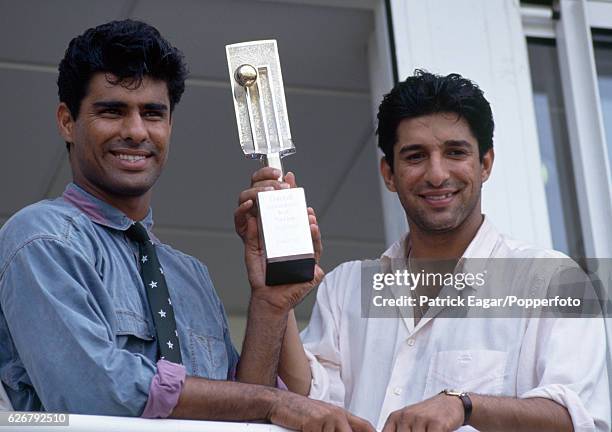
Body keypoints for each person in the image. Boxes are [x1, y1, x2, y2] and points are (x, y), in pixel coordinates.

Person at [0, 19, 375, 432]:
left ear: (169, 126)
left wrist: (270, 303)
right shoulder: (40, 239)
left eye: (153, 113)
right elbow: (100, 392)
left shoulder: (190, 275)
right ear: (67, 121)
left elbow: (240, 415)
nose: (136, 131)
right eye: (112, 111)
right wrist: (274, 402)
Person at [241, 71, 611, 431]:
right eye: (416, 156)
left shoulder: (554, 282)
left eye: (455, 153)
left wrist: (463, 405)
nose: (436, 174)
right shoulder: (347, 286)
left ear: (485, 164)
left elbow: (579, 418)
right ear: (389, 173)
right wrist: (277, 297)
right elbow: (309, 399)